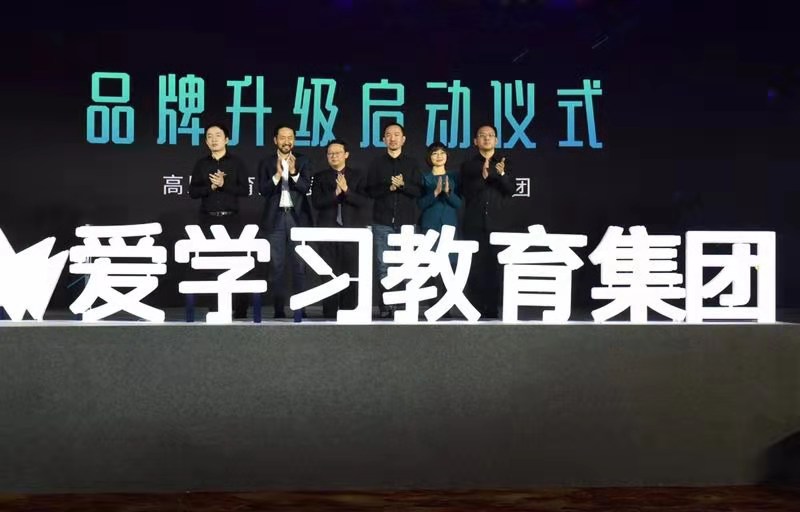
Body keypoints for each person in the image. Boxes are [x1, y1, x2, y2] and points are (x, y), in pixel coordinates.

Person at [188, 122, 251, 319]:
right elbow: (192, 192)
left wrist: (224, 184)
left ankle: (240, 308)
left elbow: (245, 190)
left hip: (232, 220)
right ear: (206, 141)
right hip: (208, 220)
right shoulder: (201, 164)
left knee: (237, 264)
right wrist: (211, 188)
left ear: (227, 139)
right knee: (211, 265)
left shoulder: (237, 163)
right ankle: (215, 307)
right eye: (209, 136)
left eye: (218, 135)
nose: (213, 139)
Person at [366, 122, 422, 318]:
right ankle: (386, 306)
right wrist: (388, 187)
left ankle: (405, 305)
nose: (393, 138)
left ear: (403, 139)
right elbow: (369, 191)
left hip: (407, 222)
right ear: (383, 139)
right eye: (388, 135)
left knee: (407, 265)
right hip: (382, 221)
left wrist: (403, 186)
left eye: (397, 134)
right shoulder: (376, 163)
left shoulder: (412, 164)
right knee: (383, 266)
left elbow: (419, 191)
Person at [459, 124, 515, 319]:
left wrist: (500, 174)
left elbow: (511, 189)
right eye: (482, 135)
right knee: (475, 267)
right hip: (474, 223)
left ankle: (492, 308)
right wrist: (484, 177)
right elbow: (465, 191)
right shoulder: (468, 165)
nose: (487, 138)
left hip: (498, 224)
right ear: (476, 141)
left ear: (496, 140)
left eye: (490, 135)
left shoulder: (504, 163)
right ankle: (474, 308)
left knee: (495, 268)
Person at [257, 125, 312, 318]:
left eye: (290, 137)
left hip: (297, 218)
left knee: (300, 265)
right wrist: (278, 175)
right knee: (276, 266)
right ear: (275, 140)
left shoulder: (303, 161)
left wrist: (294, 172)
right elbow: (263, 190)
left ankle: (300, 308)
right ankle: (278, 309)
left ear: (294, 140)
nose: (286, 141)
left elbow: (305, 188)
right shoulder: (266, 162)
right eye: (282, 137)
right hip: (276, 218)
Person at [310, 139, 369, 318]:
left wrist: (347, 191)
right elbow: (317, 203)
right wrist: (335, 193)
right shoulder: (320, 177)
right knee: (328, 272)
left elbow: (364, 202)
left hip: (351, 232)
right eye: (330, 154)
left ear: (346, 154)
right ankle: (329, 312)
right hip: (327, 232)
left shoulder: (358, 175)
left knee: (350, 272)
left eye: (337, 153)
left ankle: (348, 311)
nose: (333, 156)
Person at [418, 142, 462, 312]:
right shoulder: (424, 178)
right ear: (429, 157)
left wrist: (448, 193)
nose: (439, 156)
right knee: (432, 265)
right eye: (435, 153)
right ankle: (432, 304)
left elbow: (459, 204)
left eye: (442, 153)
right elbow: (420, 204)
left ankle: (447, 305)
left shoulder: (454, 177)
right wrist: (435, 193)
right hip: (430, 226)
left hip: (450, 226)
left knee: (449, 265)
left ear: (447, 156)